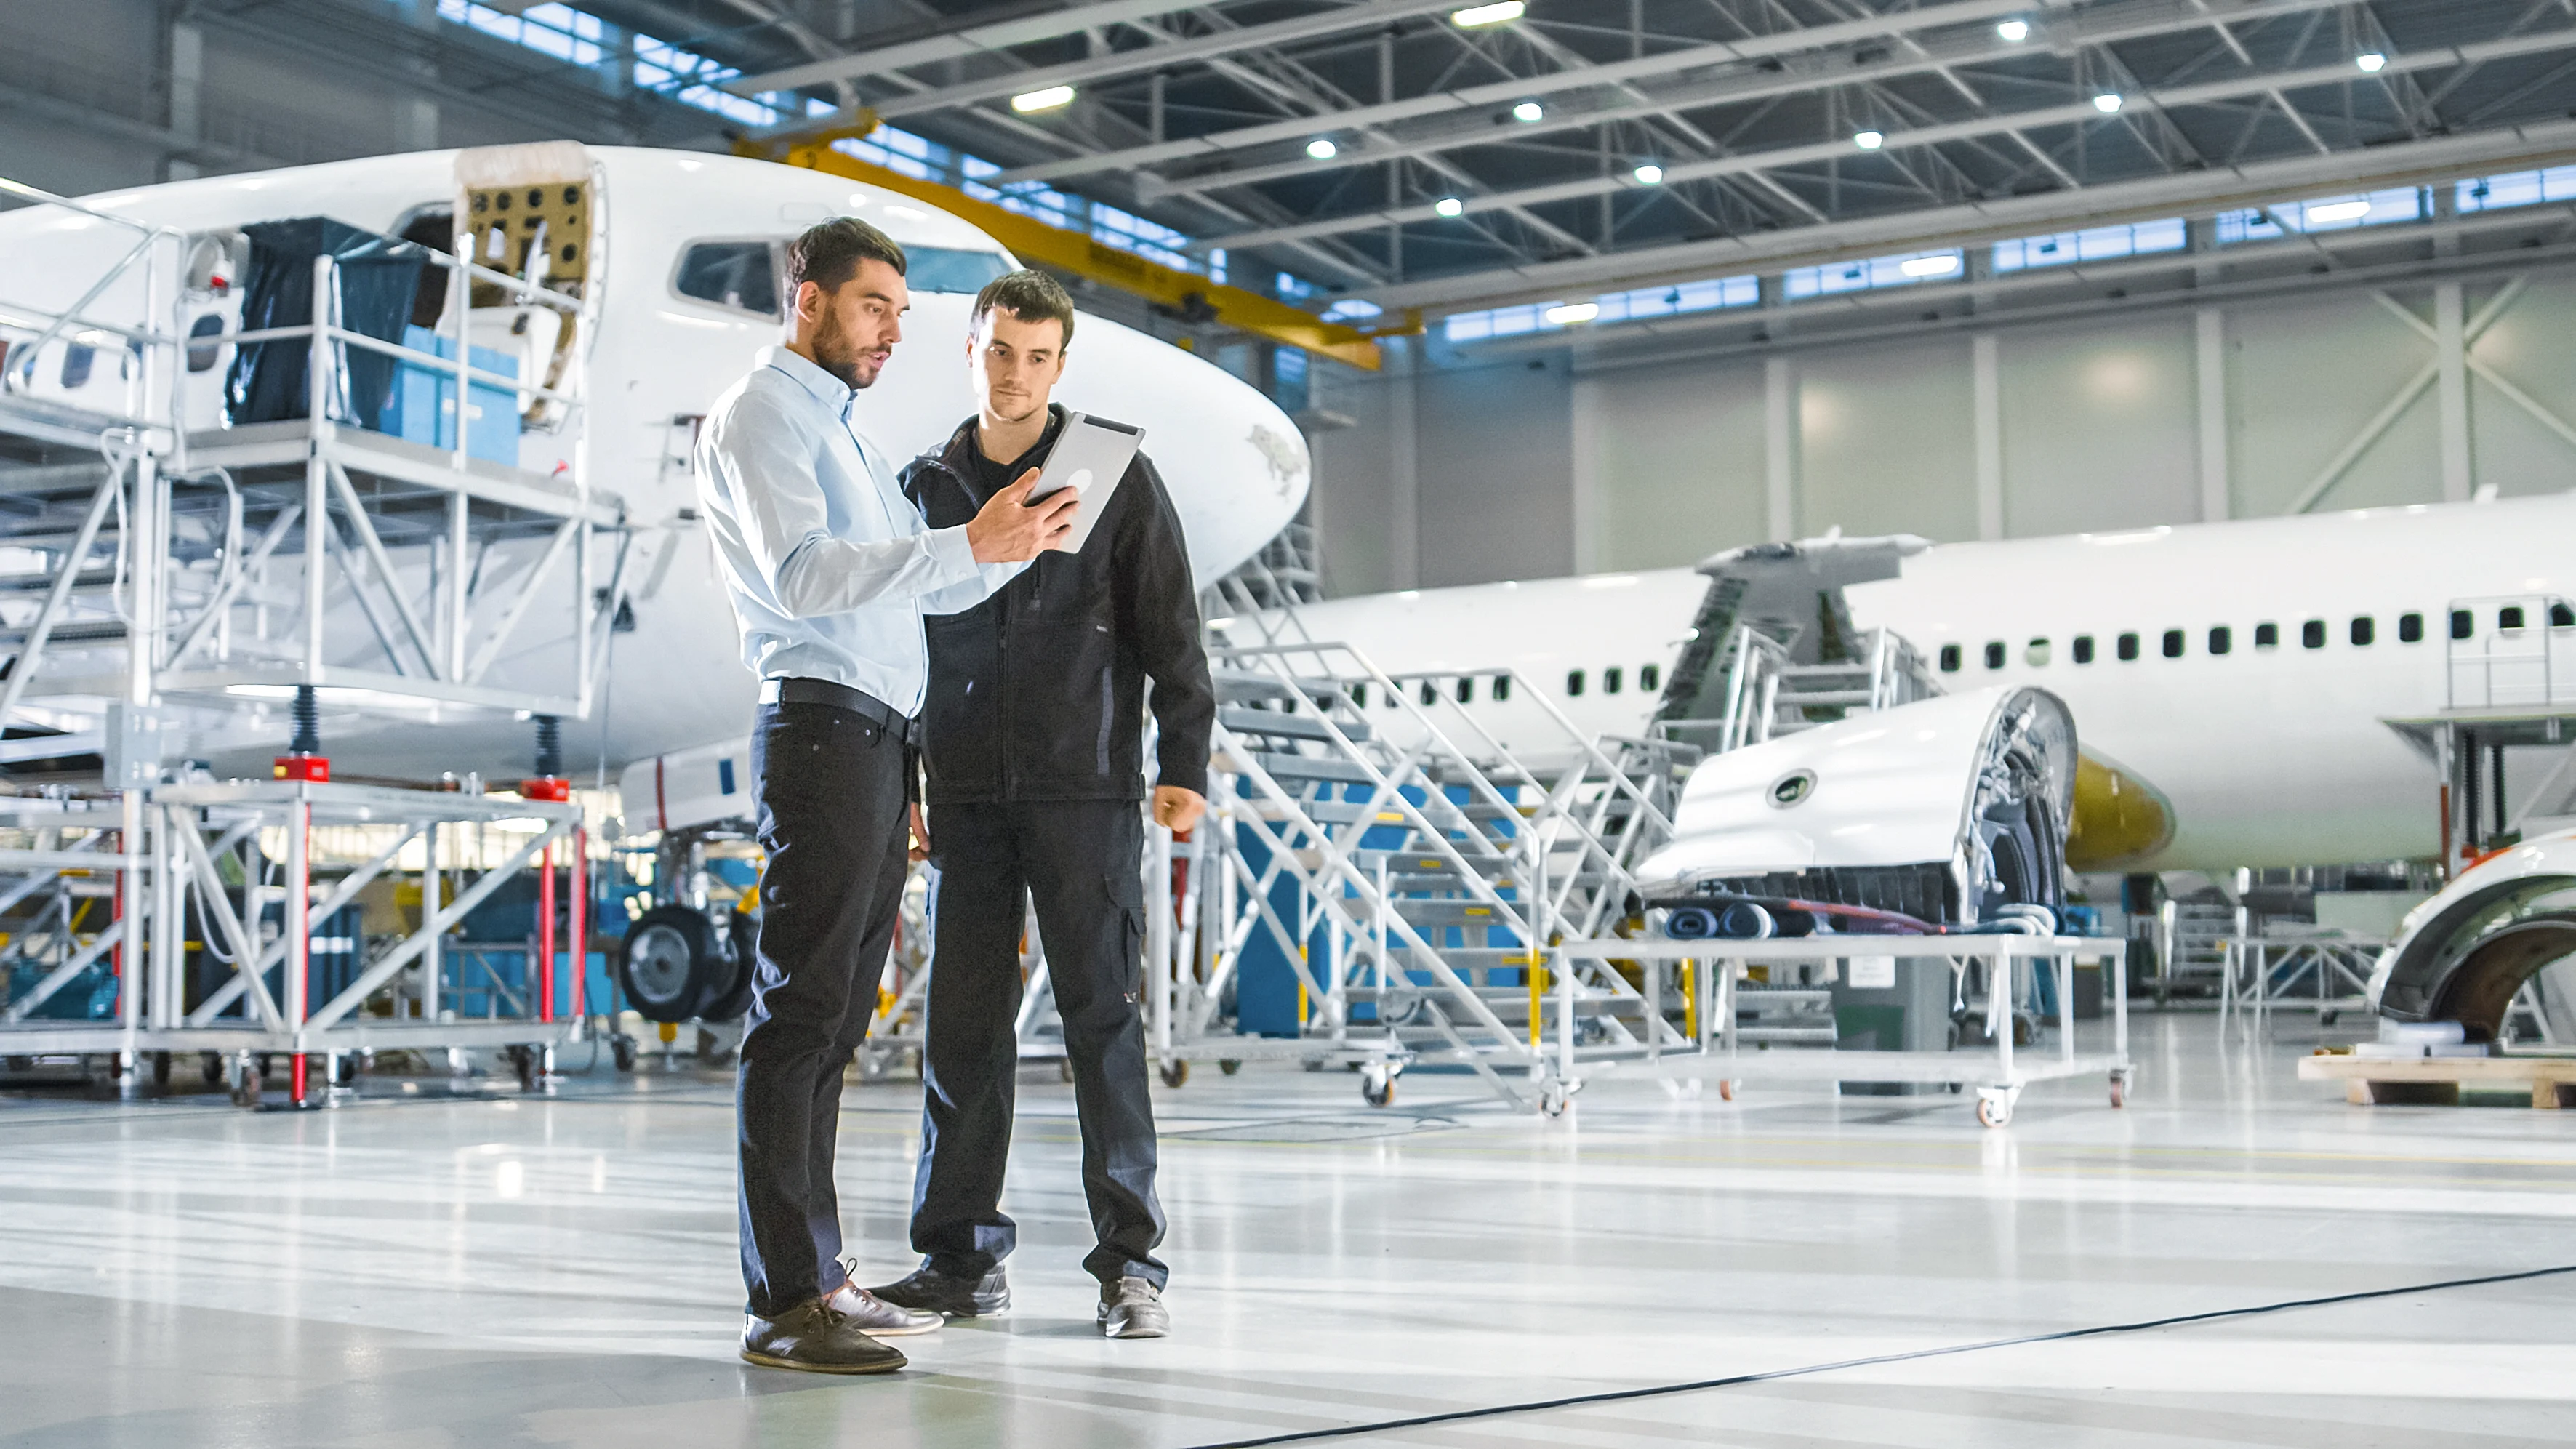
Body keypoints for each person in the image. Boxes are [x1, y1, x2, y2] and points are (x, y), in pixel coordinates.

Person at [696, 220, 1078, 1375]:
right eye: (874, 308)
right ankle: (782, 1301)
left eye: (900, 316)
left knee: (833, 1025)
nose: (891, 333)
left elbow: (908, 598)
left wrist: (1005, 546)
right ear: (807, 300)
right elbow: (802, 577)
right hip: (818, 730)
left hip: (870, 740)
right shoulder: (762, 417)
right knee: (797, 1018)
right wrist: (963, 544)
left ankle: (819, 1276)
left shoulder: (846, 438)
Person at [870, 270, 1213, 1341]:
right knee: (961, 1031)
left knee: (1102, 1022)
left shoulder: (1112, 479)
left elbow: (1171, 629)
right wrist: (906, 778)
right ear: (969, 351)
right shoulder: (922, 486)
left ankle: (1131, 1266)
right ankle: (959, 1258)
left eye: (1036, 357)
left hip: (1085, 790)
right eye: (998, 351)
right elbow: (893, 642)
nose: (1014, 374)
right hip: (966, 796)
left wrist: (1185, 762)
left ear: (1060, 365)